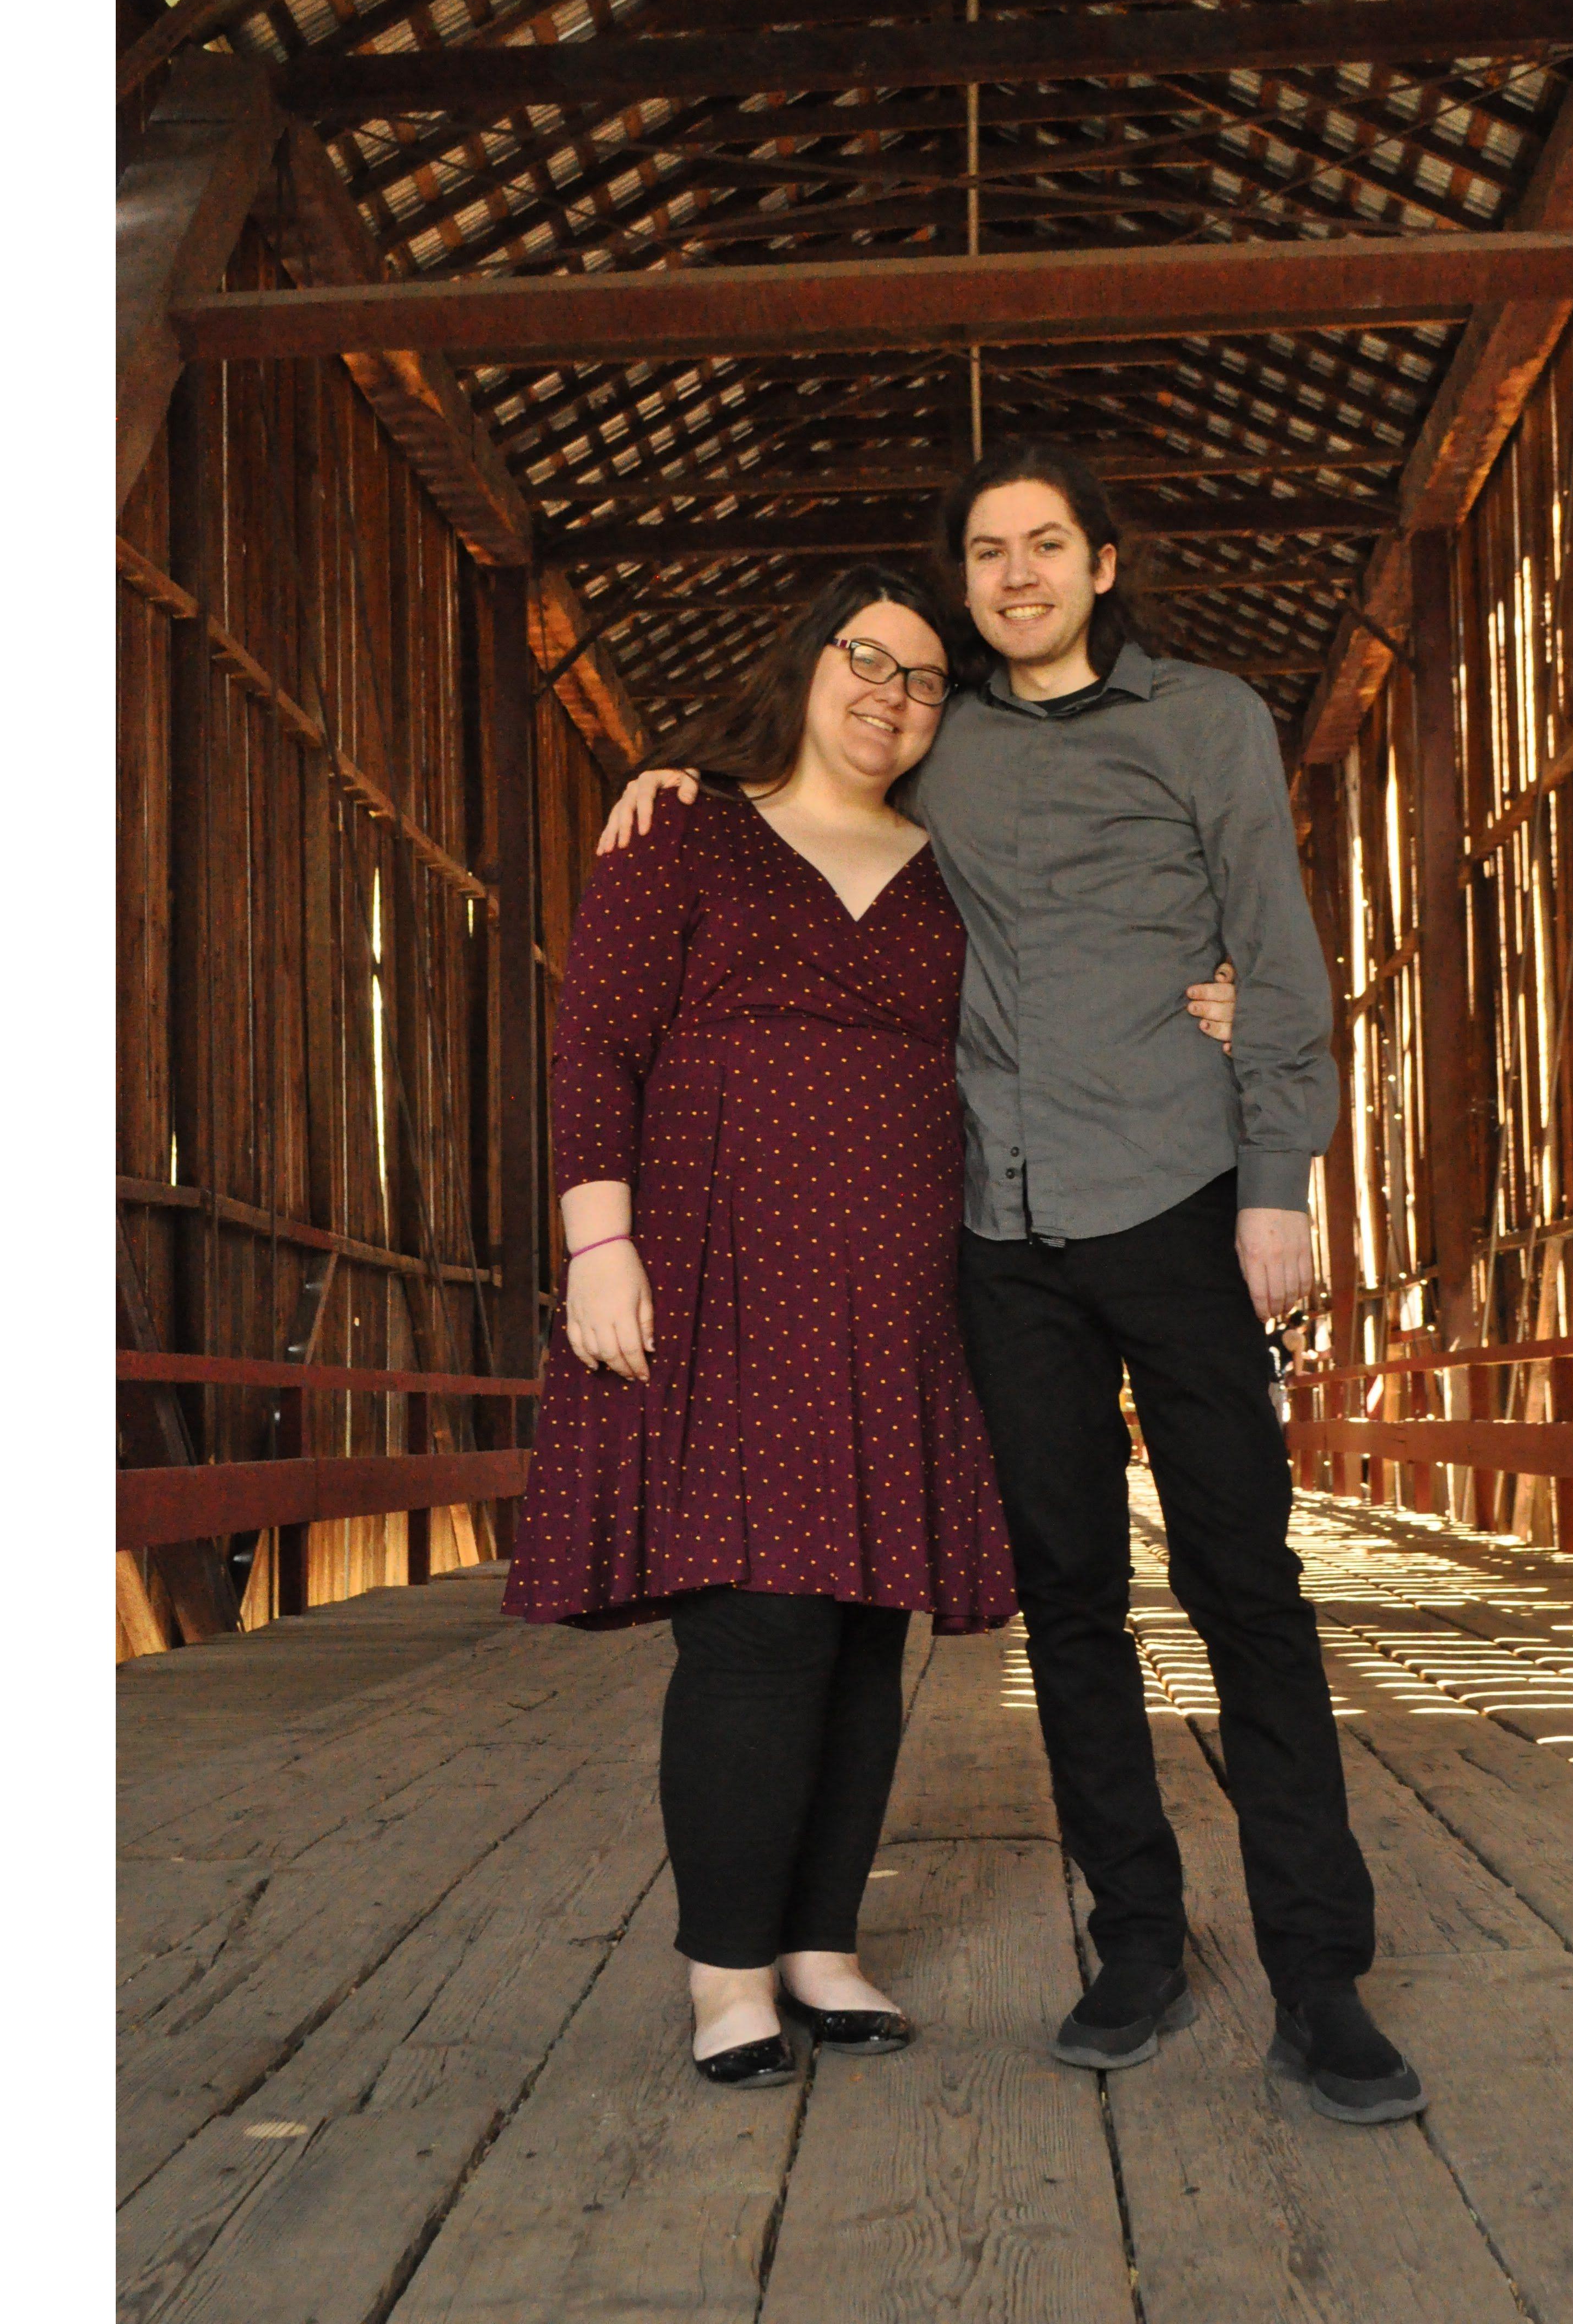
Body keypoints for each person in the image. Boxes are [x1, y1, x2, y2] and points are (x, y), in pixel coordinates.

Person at [598, 440, 1425, 2126]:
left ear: (1104, 564)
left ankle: (1321, 1977)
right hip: (999, 1236)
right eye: (989, 553)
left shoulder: (1209, 723)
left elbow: (1273, 950)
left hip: (1181, 1204)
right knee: (1070, 1607)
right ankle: (1134, 1942)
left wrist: (1282, 1181)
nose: (1019, 576)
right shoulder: (936, 736)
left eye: (1049, 545)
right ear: (963, 580)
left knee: (1243, 1589)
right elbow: (804, 784)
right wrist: (669, 771)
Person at [507, 561, 1238, 2092]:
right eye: (868, 659)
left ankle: (822, 1946)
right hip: (714, 1271)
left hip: (903, 1286)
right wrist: (598, 1241)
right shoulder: (685, 834)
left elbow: (1073, 998)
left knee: (858, 1627)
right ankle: (727, 1969)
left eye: (922, 681)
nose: (891, 696)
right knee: (756, 1624)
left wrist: (1217, 994)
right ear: (808, 660)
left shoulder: (951, 865)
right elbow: (599, 1045)